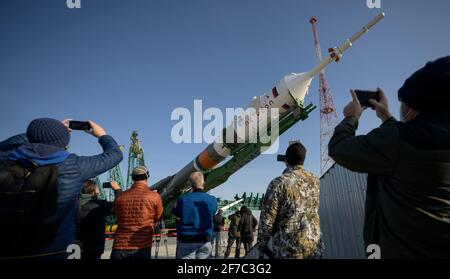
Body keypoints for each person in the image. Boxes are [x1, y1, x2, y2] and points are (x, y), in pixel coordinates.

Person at [328, 56, 450, 259]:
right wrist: (387, 119)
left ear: (413, 107)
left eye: (403, 101)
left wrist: (351, 118)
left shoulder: (396, 140)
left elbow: (339, 149)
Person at [0, 118, 123, 259]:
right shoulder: (73, 166)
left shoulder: (7, 160)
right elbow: (115, 154)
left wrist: (39, 133)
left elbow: (4, 146)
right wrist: (102, 135)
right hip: (53, 251)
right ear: (65, 142)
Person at [258, 142, 324, 259]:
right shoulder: (315, 180)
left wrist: (262, 244)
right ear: (303, 159)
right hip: (314, 247)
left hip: (290, 250)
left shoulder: (278, 183)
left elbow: (267, 220)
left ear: (286, 160)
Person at [111, 166, 163, 259]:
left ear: (132, 178)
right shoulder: (154, 196)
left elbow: (117, 215)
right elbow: (159, 217)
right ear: (147, 177)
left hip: (119, 246)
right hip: (142, 246)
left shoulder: (120, 197)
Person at [173, 172, 218, 259]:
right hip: (205, 240)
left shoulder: (182, 199)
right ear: (203, 184)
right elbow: (213, 214)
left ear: (190, 184)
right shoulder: (212, 200)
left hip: (186, 240)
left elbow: (176, 213)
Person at [76, 180, 122, 259]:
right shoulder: (100, 205)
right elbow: (120, 208)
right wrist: (117, 189)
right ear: (94, 192)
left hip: (74, 248)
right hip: (94, 249)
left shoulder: (72, 204)